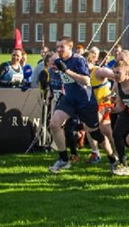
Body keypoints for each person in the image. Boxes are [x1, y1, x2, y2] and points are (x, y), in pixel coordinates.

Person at [47, 36, 119, 174]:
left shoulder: (78, 60)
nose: (59, 50)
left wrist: (66, 71)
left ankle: (113, 159)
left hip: (85, 102)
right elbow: (55, 68)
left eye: (62, 47)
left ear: (70, 47)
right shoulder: (58, 60)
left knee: (95, 133)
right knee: (54, 124)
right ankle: (63, 159)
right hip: (69, 100)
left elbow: (86, 81)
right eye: (57, 47)